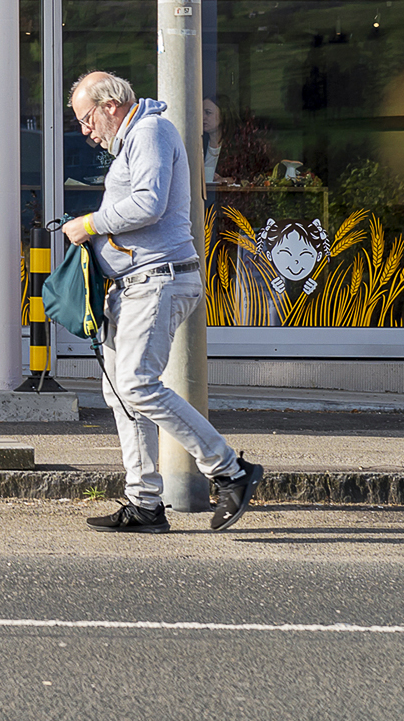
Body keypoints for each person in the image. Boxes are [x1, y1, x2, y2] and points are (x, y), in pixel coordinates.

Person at [64, 70, 263, 532]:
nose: (85, 130)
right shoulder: (137, 136)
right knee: (121, 394)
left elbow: (149, 202)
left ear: (110, 104)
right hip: (137, 282)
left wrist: (89, 224)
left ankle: (231, 470)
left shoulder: (149, 131)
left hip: (156, 279)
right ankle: (144, 503)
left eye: (86, 118)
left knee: (135, 384)